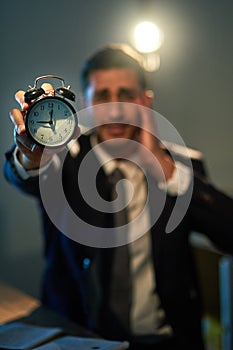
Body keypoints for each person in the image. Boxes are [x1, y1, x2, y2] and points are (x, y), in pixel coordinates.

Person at [4, 43, 233, 350]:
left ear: (144, 100)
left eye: (125, 94)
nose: (113, 108)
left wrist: (165, 169)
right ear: (86, 100)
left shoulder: (181, 166)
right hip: (81, 339)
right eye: (102, 96)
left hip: (168, 341)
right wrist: (30, 158)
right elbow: (24, 175)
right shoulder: (62, 159)